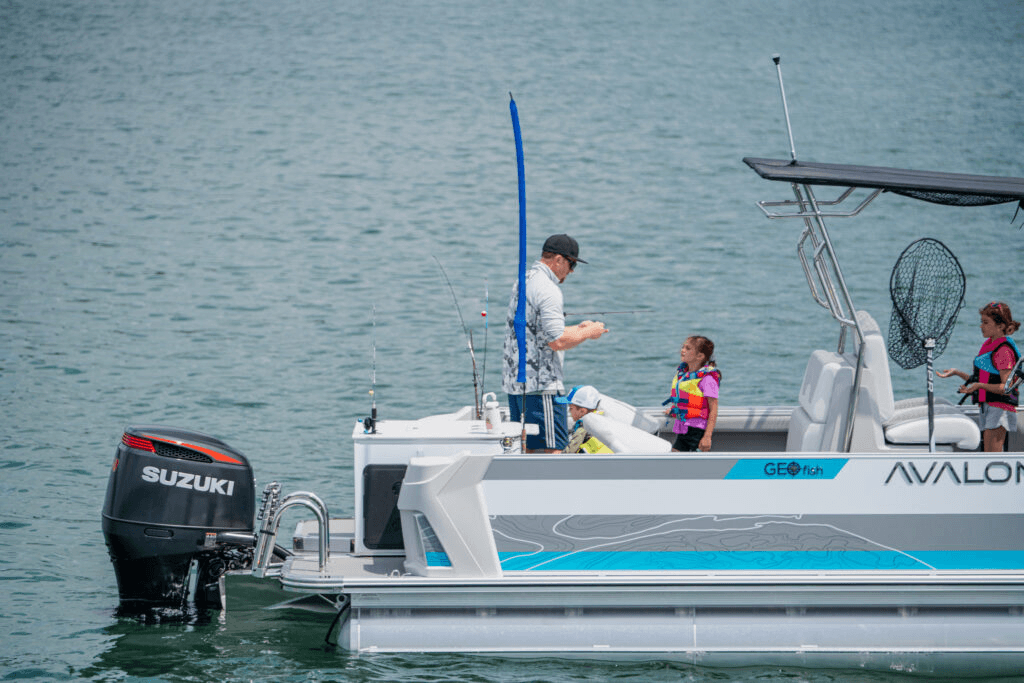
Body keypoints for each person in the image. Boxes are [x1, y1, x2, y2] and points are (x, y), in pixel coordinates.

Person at [502, 234, 609, 452]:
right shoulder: (548, 289)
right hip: (542, 386)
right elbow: (557, 341)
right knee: (554, 450)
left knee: (529, 448)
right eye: (571, 264)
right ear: (559, 260)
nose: (571, 271)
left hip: (517, 383)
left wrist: (578, 329)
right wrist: (589, 332)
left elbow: (537, 332)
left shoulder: (524, 280)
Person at [937, 301, 1020, 452]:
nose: (981, 326)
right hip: (988, 406)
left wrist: (979, 386)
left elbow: (1006, 387)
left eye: (986, 322)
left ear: (1000, 326)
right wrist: (956, 372)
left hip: (999, 409)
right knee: (987, 452)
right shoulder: (990, 345)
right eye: (981, 322)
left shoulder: (1003, 352)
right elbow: (979, 380)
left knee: (991, 455)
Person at [662, 335, 720, 452]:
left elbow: (713, 409)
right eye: (683, 347)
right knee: (675, 460)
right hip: (684, 427)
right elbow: (686, 400)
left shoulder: (707, 379)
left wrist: (707, 437)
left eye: (688, 348)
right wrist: (675, 410)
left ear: (700, 356)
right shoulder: (684, 375)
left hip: (696, 430)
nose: (682, 350)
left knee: (682, 463)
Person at [555, 385, 613, 454]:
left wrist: (559, 454)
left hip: (597, 461)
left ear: (582, 411)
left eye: (571, 408)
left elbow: (571, 450)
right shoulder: (600, 418)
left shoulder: (584, 426)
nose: (569, 412)